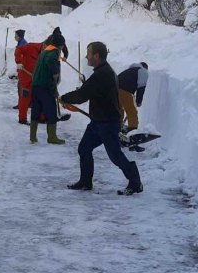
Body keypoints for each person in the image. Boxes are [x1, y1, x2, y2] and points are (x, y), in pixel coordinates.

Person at [60, 42, 143, 195]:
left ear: (97, 56)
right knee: (84, 148)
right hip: (98, 122)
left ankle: (135, 182)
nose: (87, 57)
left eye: (89, 53)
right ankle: (85, 181)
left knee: (115, 155)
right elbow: (89, 91)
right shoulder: (103, 72)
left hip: (108, 123)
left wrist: (64, 98)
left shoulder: (102, 74)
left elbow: (82, 95)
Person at [29, 33, 65, 144]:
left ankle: (32, 137)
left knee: (36, 110)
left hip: (35, 86)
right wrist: (55, 72)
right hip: (45, 87)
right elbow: (50, 61)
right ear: (60, 45)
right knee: (51, 112)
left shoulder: (44, 51)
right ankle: (52, 137)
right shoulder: (52, 52)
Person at [14, 40, 44, 124]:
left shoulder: (47, 53)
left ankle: (42, 118)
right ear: (44, 44)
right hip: (25, 76)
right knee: (25, 97)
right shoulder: (31, 46)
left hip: (37, 77)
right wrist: (18, 61)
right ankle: (22, 119)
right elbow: (18, 50)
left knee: (41, 96)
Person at [117, 62, 149, 132]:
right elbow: (141, 88)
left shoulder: (130, 71)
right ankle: (133, 129)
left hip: (114, 89)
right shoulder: (143, 72)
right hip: (125, 90)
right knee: (131, 110)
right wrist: (138, 102)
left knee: (119, 109)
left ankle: (117, 126)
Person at [11, 29, 28, 108]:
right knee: (21, 86)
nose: (14, 37)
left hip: (24, 69)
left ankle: (22, 104)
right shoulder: (21, 42)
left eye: (16, 36)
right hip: (22, 68)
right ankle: (25, 103)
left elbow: (22, 56)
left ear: (20, 36)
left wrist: (21, 66)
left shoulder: (22, 44)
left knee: (21, 87)